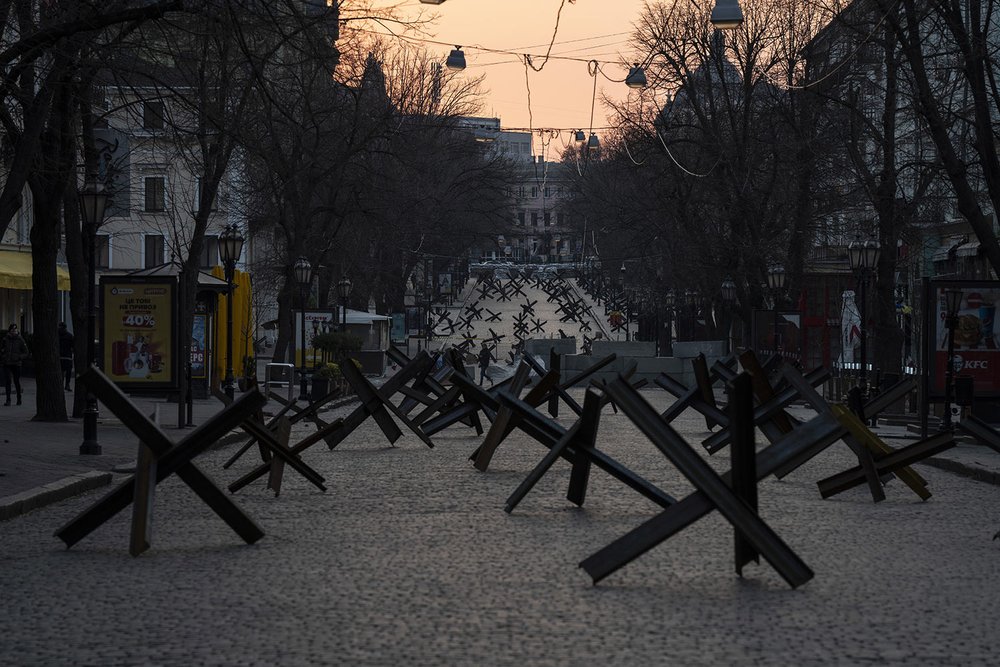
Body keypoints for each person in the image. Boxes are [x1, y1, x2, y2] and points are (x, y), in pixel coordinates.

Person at [1, 323, 30, 406]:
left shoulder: (20, 340)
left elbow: (26, 352)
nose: (14, 331)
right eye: (12, 330)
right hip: (7, 363)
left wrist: (19, 357)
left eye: (15, 330)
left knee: (16, 381)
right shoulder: (5, 339)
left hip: (16, 364)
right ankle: (8, 400)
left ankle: (19, 398)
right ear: (9, 330)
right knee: (8, 381)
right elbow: (2, 349)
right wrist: (3, 356)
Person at [58, 322, 74, 391]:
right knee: (66, 371)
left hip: (64, 356)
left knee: (64, 371)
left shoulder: (57, 335)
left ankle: (64, 384)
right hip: (66, 357)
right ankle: (66, 385)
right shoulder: (70, 336)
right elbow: (73, 346)